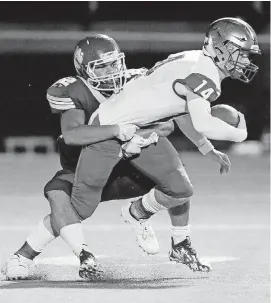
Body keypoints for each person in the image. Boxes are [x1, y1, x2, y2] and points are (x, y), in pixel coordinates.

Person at [66, 17, 260, 276]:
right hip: (108, 131)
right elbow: (203, 122)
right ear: (220, 48)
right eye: (241, 53)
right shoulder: (204, 73)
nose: (246, 61)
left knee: (181, 188)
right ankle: (25, 253)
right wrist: (241, 133)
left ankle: (174, 240)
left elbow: (181, 111)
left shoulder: (196, 60)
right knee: (80, 205)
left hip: (137, 129)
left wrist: (206, 149)